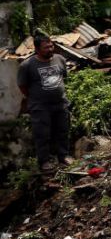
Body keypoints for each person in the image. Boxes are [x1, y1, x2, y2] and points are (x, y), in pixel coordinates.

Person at [18, 34, 72, 170]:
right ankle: (44, 161)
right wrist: (36, 98)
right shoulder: (27, 65)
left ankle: (63, 156)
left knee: (62, 131)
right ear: (37, 49)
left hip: (60, 103)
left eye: (51, 46)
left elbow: (63, 78)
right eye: (46, 47)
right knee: (42, 134)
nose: (50, 49)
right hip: (40, 107)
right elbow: (22, 86)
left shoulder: (60, 59)